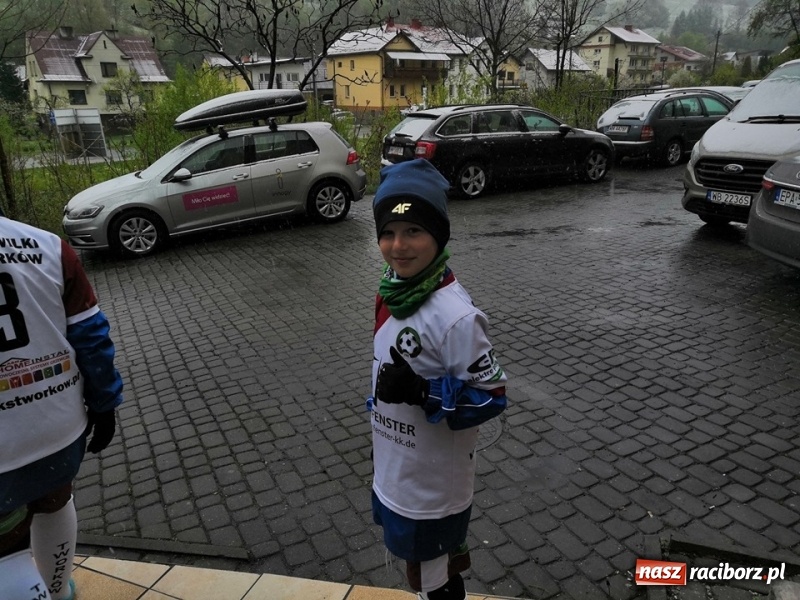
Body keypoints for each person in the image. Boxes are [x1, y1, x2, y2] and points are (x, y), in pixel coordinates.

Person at [367, 159, 508, 600]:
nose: (398, 246)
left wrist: (420, 391)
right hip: (394, 466)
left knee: (436, 580)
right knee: (419, 570)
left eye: (414, 231)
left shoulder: (456, 317)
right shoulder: (391, 289)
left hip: (431, 487)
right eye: (388, 233)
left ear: (438, 236)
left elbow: (492, 398)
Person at [0, 209, 123, 600]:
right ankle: (57, 592)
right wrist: (105, 404)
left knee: (6, 550)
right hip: (58, 428)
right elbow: (90, 335)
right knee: (54, 501)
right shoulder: (48, 246)